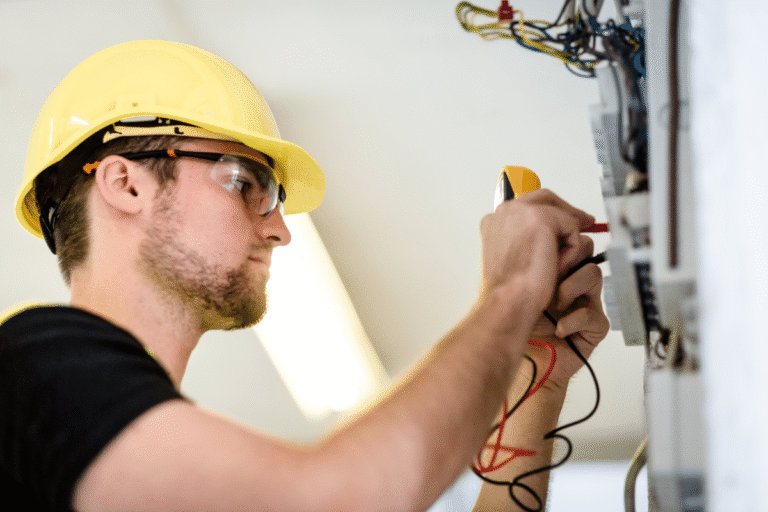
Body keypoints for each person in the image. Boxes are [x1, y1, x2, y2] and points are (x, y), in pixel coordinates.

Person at [0, 40, 609, 511]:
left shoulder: (169, 476)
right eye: (247, 183)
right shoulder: (30, 368)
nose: (280, 229)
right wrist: (507, 292)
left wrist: (536, 381)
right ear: (126, 183)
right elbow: (336, 499)